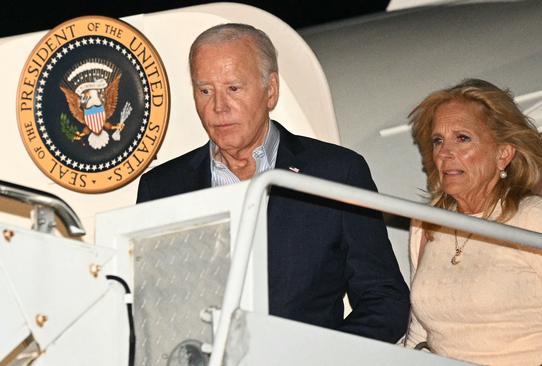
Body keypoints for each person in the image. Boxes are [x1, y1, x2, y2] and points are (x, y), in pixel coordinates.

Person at [136, 23, 409, 342]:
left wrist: (322, 358)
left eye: (234, 88)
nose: (218, 107)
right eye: (205, 90)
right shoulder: (163, 188)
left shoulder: (336, 173)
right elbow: (148, 313)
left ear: (271, 90)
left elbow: (386, 301)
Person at [403, 78, 542, 365]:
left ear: (503, 154)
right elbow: (420, 331)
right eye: (438, 140)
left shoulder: (533, 216)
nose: (445, 153)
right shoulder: (428, 222)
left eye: (462, 138)